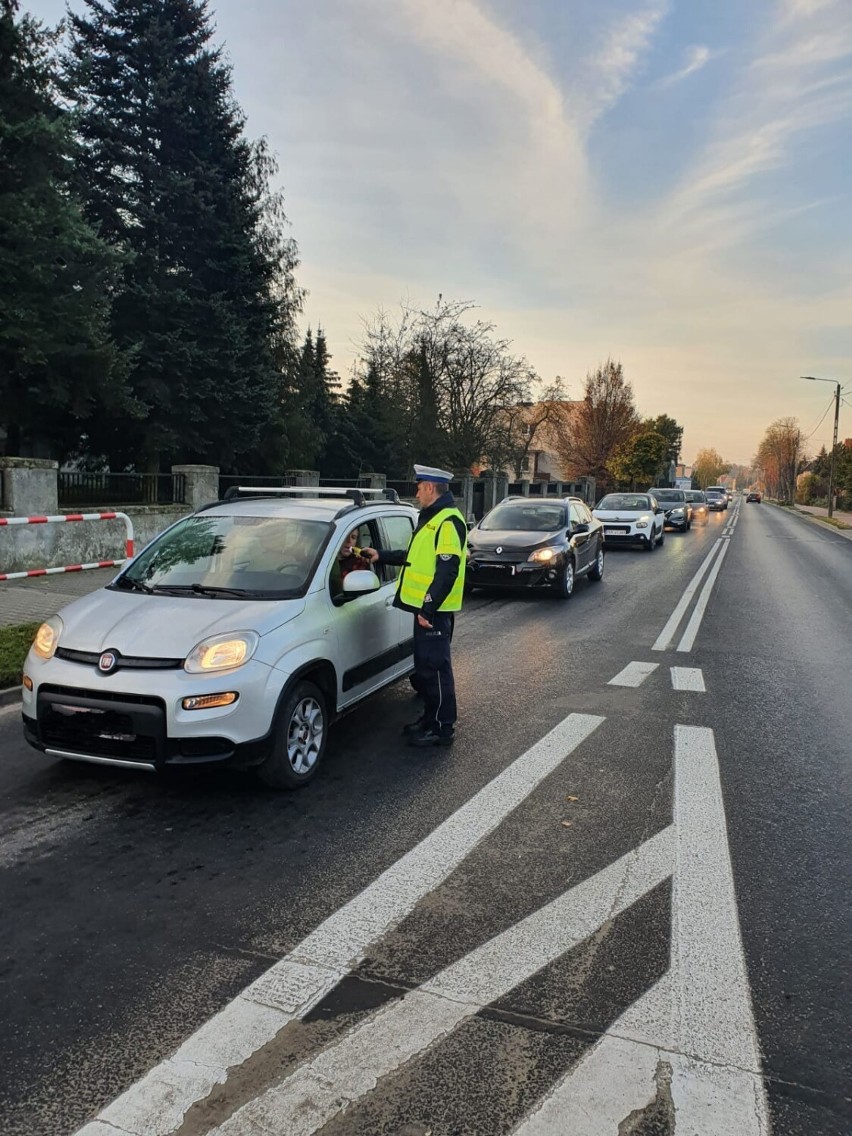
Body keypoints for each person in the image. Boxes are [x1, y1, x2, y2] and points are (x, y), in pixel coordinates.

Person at [361, 465, 467, 747]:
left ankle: (443, 728)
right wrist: (380, 555)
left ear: (431, 488)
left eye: (419, 487)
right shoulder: (432, 518)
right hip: (426, 611)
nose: (417, 492)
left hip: (434, 612)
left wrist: (428, 609)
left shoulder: (447, 521)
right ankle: (430, 719)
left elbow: (447, 570)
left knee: (435, 670)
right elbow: (414, 558)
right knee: (425, 668)